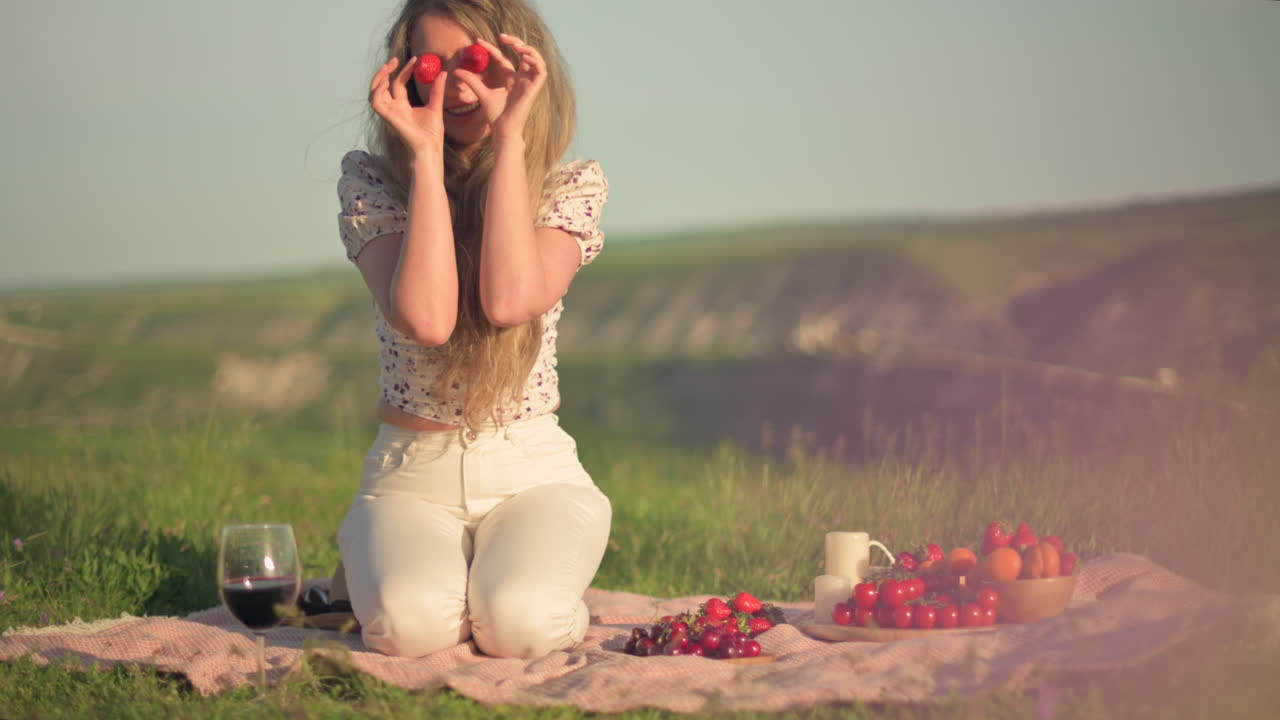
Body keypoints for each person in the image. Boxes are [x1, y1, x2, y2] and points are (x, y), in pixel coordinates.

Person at [331, 0, 612, 659]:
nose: (457, 85)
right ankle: (387, 569)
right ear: (407, 75)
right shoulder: (372, 181)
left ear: (520, 68)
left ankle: (522, 594)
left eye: (478, 62)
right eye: (435, 65)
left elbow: (510, 300)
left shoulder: (569, 186)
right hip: (410, 475)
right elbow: (428, 320)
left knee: (517, 625)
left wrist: (513, 138)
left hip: (535, 474)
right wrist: (424, 158)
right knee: (411, 629)